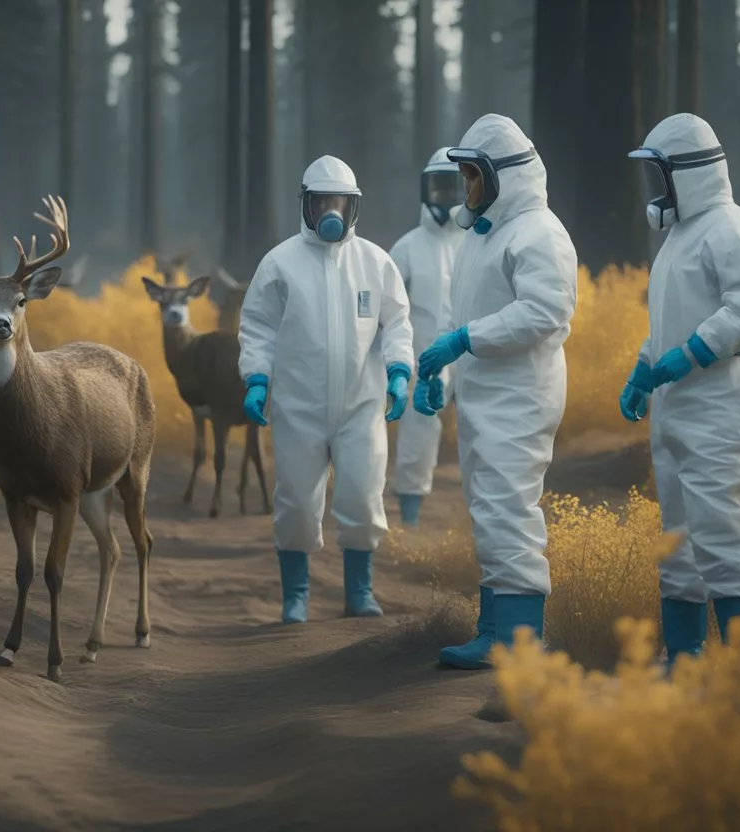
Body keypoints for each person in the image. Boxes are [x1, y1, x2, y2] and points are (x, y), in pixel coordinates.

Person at [414, 114, 578, 669]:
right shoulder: (487, 235)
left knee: (508, 507)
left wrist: (462, 342)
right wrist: (445, 374)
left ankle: (518, 639)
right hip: (490, 394)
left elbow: (545, 312)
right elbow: (470, 312)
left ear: (502, 176)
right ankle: (496, 627)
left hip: (521, 394)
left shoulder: (538, 231)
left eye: (472, 177)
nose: (466, 189)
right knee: (490, 508)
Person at [619, 113, 740, 663]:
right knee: (680, 538)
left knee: (719, 529)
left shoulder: (735, 228)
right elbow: (669, 319)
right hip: (680, 396)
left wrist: (691, 353)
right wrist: (646, 369)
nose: (654, 191)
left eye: (658, 176)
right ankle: (683, 658)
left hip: (723, 391)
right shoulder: (681, 238)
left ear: (685, 174)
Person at [239, 155, 415, 624]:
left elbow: (397, 321)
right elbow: (258, 327)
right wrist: (257, 378)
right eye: (322, 202)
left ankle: (360, 591)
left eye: (339, 202)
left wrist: (399, 369)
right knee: (296, 501)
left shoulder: (375, 262)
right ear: (307, 205)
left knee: (361, 496)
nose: (330, 211)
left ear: (353, 206)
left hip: (362, 405)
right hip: (298, 407)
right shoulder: (280, 263)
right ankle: (295, 595)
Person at [389, 147, 467, 527]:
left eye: (453, 189)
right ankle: (410, 522)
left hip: (473, 359)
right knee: (416, 438)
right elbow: (386, 309)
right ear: (424, 190)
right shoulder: (406, 248)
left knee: (483, 437)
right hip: (423, 360)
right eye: (437, 189)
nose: (444, 199)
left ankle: (476, 524)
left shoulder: (478, 242)